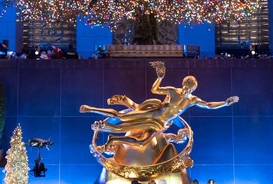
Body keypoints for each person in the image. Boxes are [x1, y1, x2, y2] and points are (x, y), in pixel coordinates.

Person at [81, 61, 239, 152]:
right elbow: (154, 90)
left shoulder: (193, 100)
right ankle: (91, 109)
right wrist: (160, 78)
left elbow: (209, 105)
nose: (187, 90)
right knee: (121, 116)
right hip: (154, 113)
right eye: (186, 87)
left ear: (193, 89)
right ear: (183, 84)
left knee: (141, 142)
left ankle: (112, 137)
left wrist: (225, 102)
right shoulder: (173, 91)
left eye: (190, 89)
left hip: (160, 123)